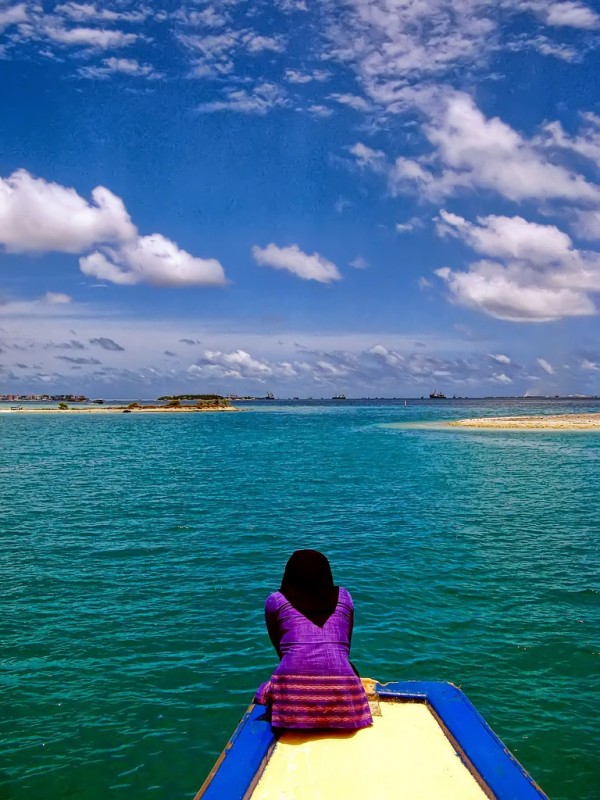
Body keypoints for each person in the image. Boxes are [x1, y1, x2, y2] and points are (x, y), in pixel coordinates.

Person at [255, 549, 372, 730]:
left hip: (290, 707)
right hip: (346, 709)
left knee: (273, 682)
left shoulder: (275, 601)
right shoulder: (344, 597)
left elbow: (281, 649)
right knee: (348, 667)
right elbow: (344, 647)